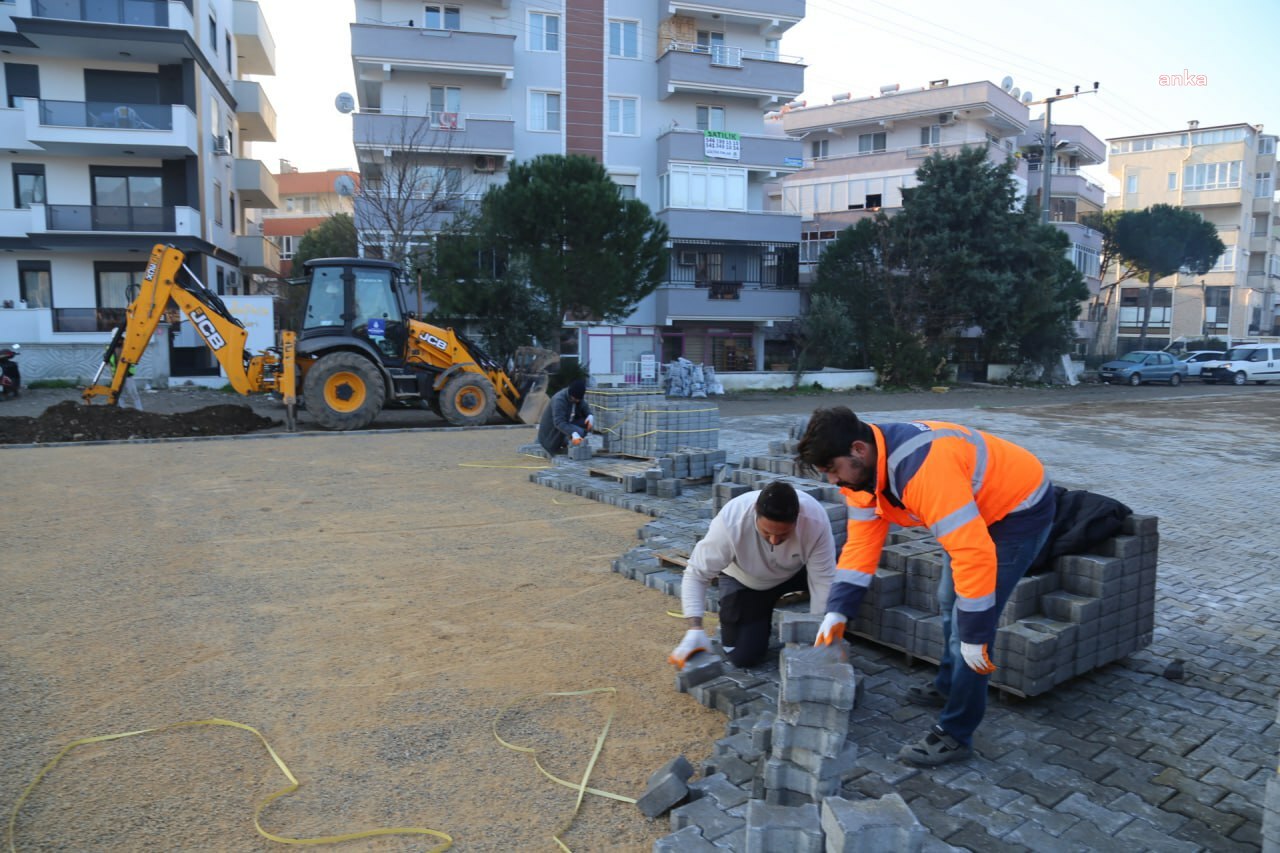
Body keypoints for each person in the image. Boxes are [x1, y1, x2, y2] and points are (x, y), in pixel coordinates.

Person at [795, 406, 1054, 767]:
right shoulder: (861, 477)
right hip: (974, 505)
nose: (834, 482)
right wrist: (837, 611)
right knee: (948, 598)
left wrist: (976, 634)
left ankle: (956, 733)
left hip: (1017, 508)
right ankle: (949, 685)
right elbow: (861, 546)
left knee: (971, 625)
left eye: (833, 470)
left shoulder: (923, 472)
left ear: (858, 449)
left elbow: (973, 553)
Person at [668, 481, 839, 669]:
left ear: (797, 519)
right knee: (743, 657)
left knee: (842, 587)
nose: (774, 540)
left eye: (783, 534)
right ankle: (755, 615)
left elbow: (823, 579)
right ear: (755, 512)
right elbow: (696, 574)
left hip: (796, 572)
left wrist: (820, 629)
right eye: (767, 532)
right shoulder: (731, 522)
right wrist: (695, 628)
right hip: (746, 580)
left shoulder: (815, 520)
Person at [536, 378, 593, 455]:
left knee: (585, 423)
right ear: (571, 395)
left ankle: (568, 442)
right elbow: (559, 423)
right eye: (576, 399)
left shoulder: (575, 396)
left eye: (579, 399)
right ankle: (560, 444)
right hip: (551, 434)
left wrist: (590, 415)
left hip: (563, 425)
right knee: (579, 432)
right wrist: (573, 433)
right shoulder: (559, 400)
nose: (577, 401)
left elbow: (583, 405)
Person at [109, 343, 143, 411]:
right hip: (117, 375)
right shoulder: (110, 349)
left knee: (133, 393)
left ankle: (139, 409)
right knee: (120, 394)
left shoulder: (128, 348)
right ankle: (122, 408)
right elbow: (110, 364)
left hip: (127, 375)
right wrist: (112, 375)